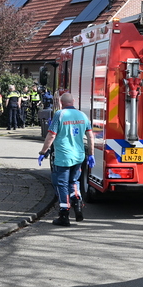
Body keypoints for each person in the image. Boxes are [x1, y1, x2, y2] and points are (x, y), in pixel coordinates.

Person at [37, 92, 94, 226]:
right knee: (73, 181)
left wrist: (43, 152)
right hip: (78, 156)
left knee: (62, 184)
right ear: (73, 101)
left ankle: (64, 214)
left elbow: (51, 136)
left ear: (61, 103)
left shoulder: (59, 115)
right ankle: (77, 202)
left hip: (63, 157)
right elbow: (91, 137)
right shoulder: (82, 115)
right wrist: (90, 154)